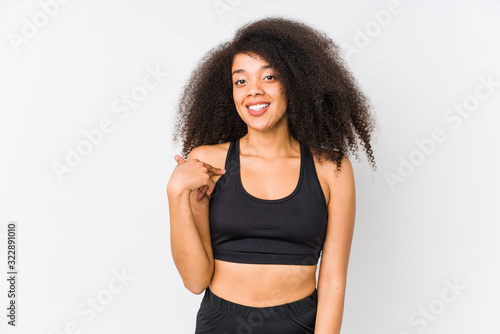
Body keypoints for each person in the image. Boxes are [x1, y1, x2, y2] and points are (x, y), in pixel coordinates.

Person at [167, 16, 377, 333]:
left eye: (269, 77)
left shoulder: (331, 169)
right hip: (220, 323)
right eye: (241, 81)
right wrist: (176, 194)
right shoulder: (206, 162)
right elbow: (196, 281)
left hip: (298, 324)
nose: (253, 91)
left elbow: (333, 280)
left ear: (294, 83)